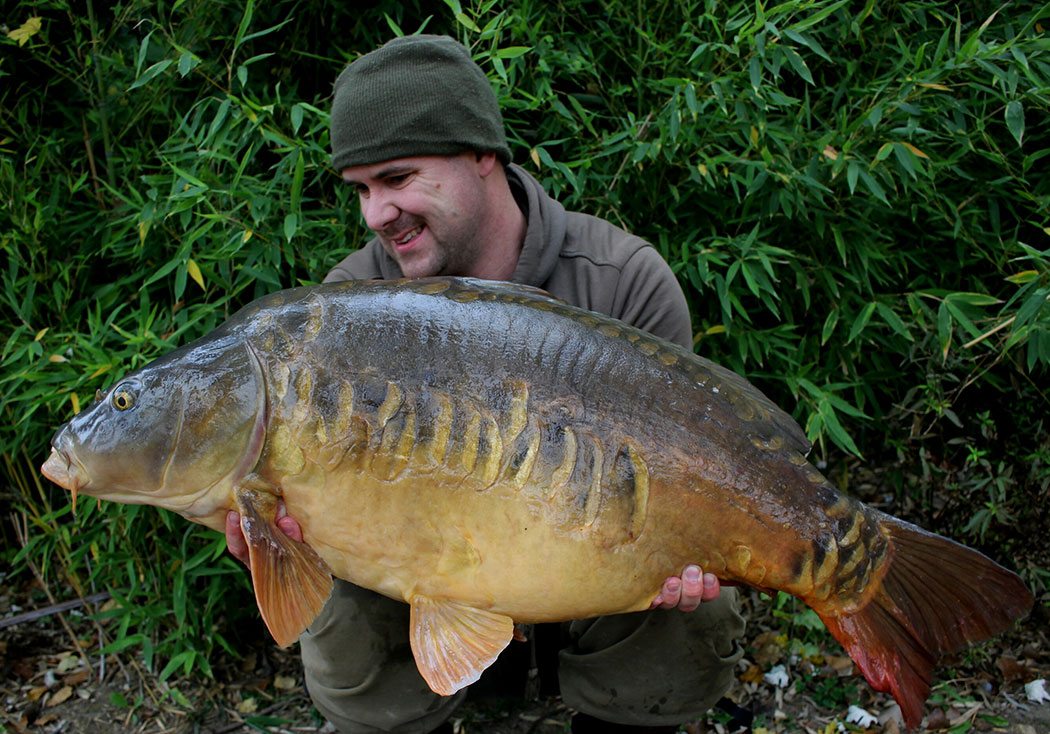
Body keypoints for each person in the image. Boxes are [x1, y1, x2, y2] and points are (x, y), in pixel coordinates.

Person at [226, 35, 746, 734]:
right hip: (429, 573)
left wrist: (691, 546)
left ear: (482, 155)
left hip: (590, 572)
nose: (377, 214)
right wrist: (274, 537)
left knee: (697, 607)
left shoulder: (622, 281)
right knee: (343, 600)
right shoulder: (348, 307)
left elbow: (692, 466)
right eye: (362, 190)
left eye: (398, 177)